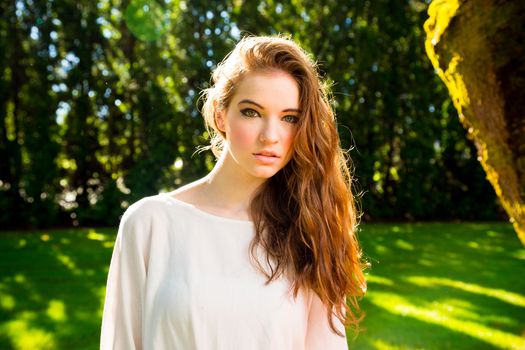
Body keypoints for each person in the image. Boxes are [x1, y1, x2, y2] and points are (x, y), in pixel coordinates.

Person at [100, 35, 367, 350]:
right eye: (252, 112)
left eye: (289, 118)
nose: (271, 136)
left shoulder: (309, 231)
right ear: (219, 113)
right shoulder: (148, 223)